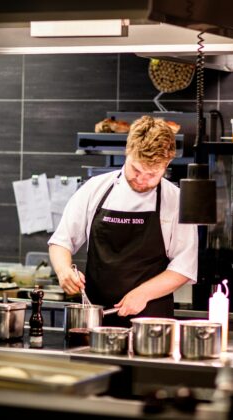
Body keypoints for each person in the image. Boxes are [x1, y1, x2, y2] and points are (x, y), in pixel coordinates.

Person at [48, 115, 198, 327]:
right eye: (136, 169)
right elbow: (61, 242)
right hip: (96, 318)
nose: (142, 179)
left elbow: (184, 267)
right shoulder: (95, 189)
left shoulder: (175, 200)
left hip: (151, 323)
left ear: (167, 163)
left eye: (152, 174)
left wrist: (143, 293)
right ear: (128, 152)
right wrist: (64, 270)